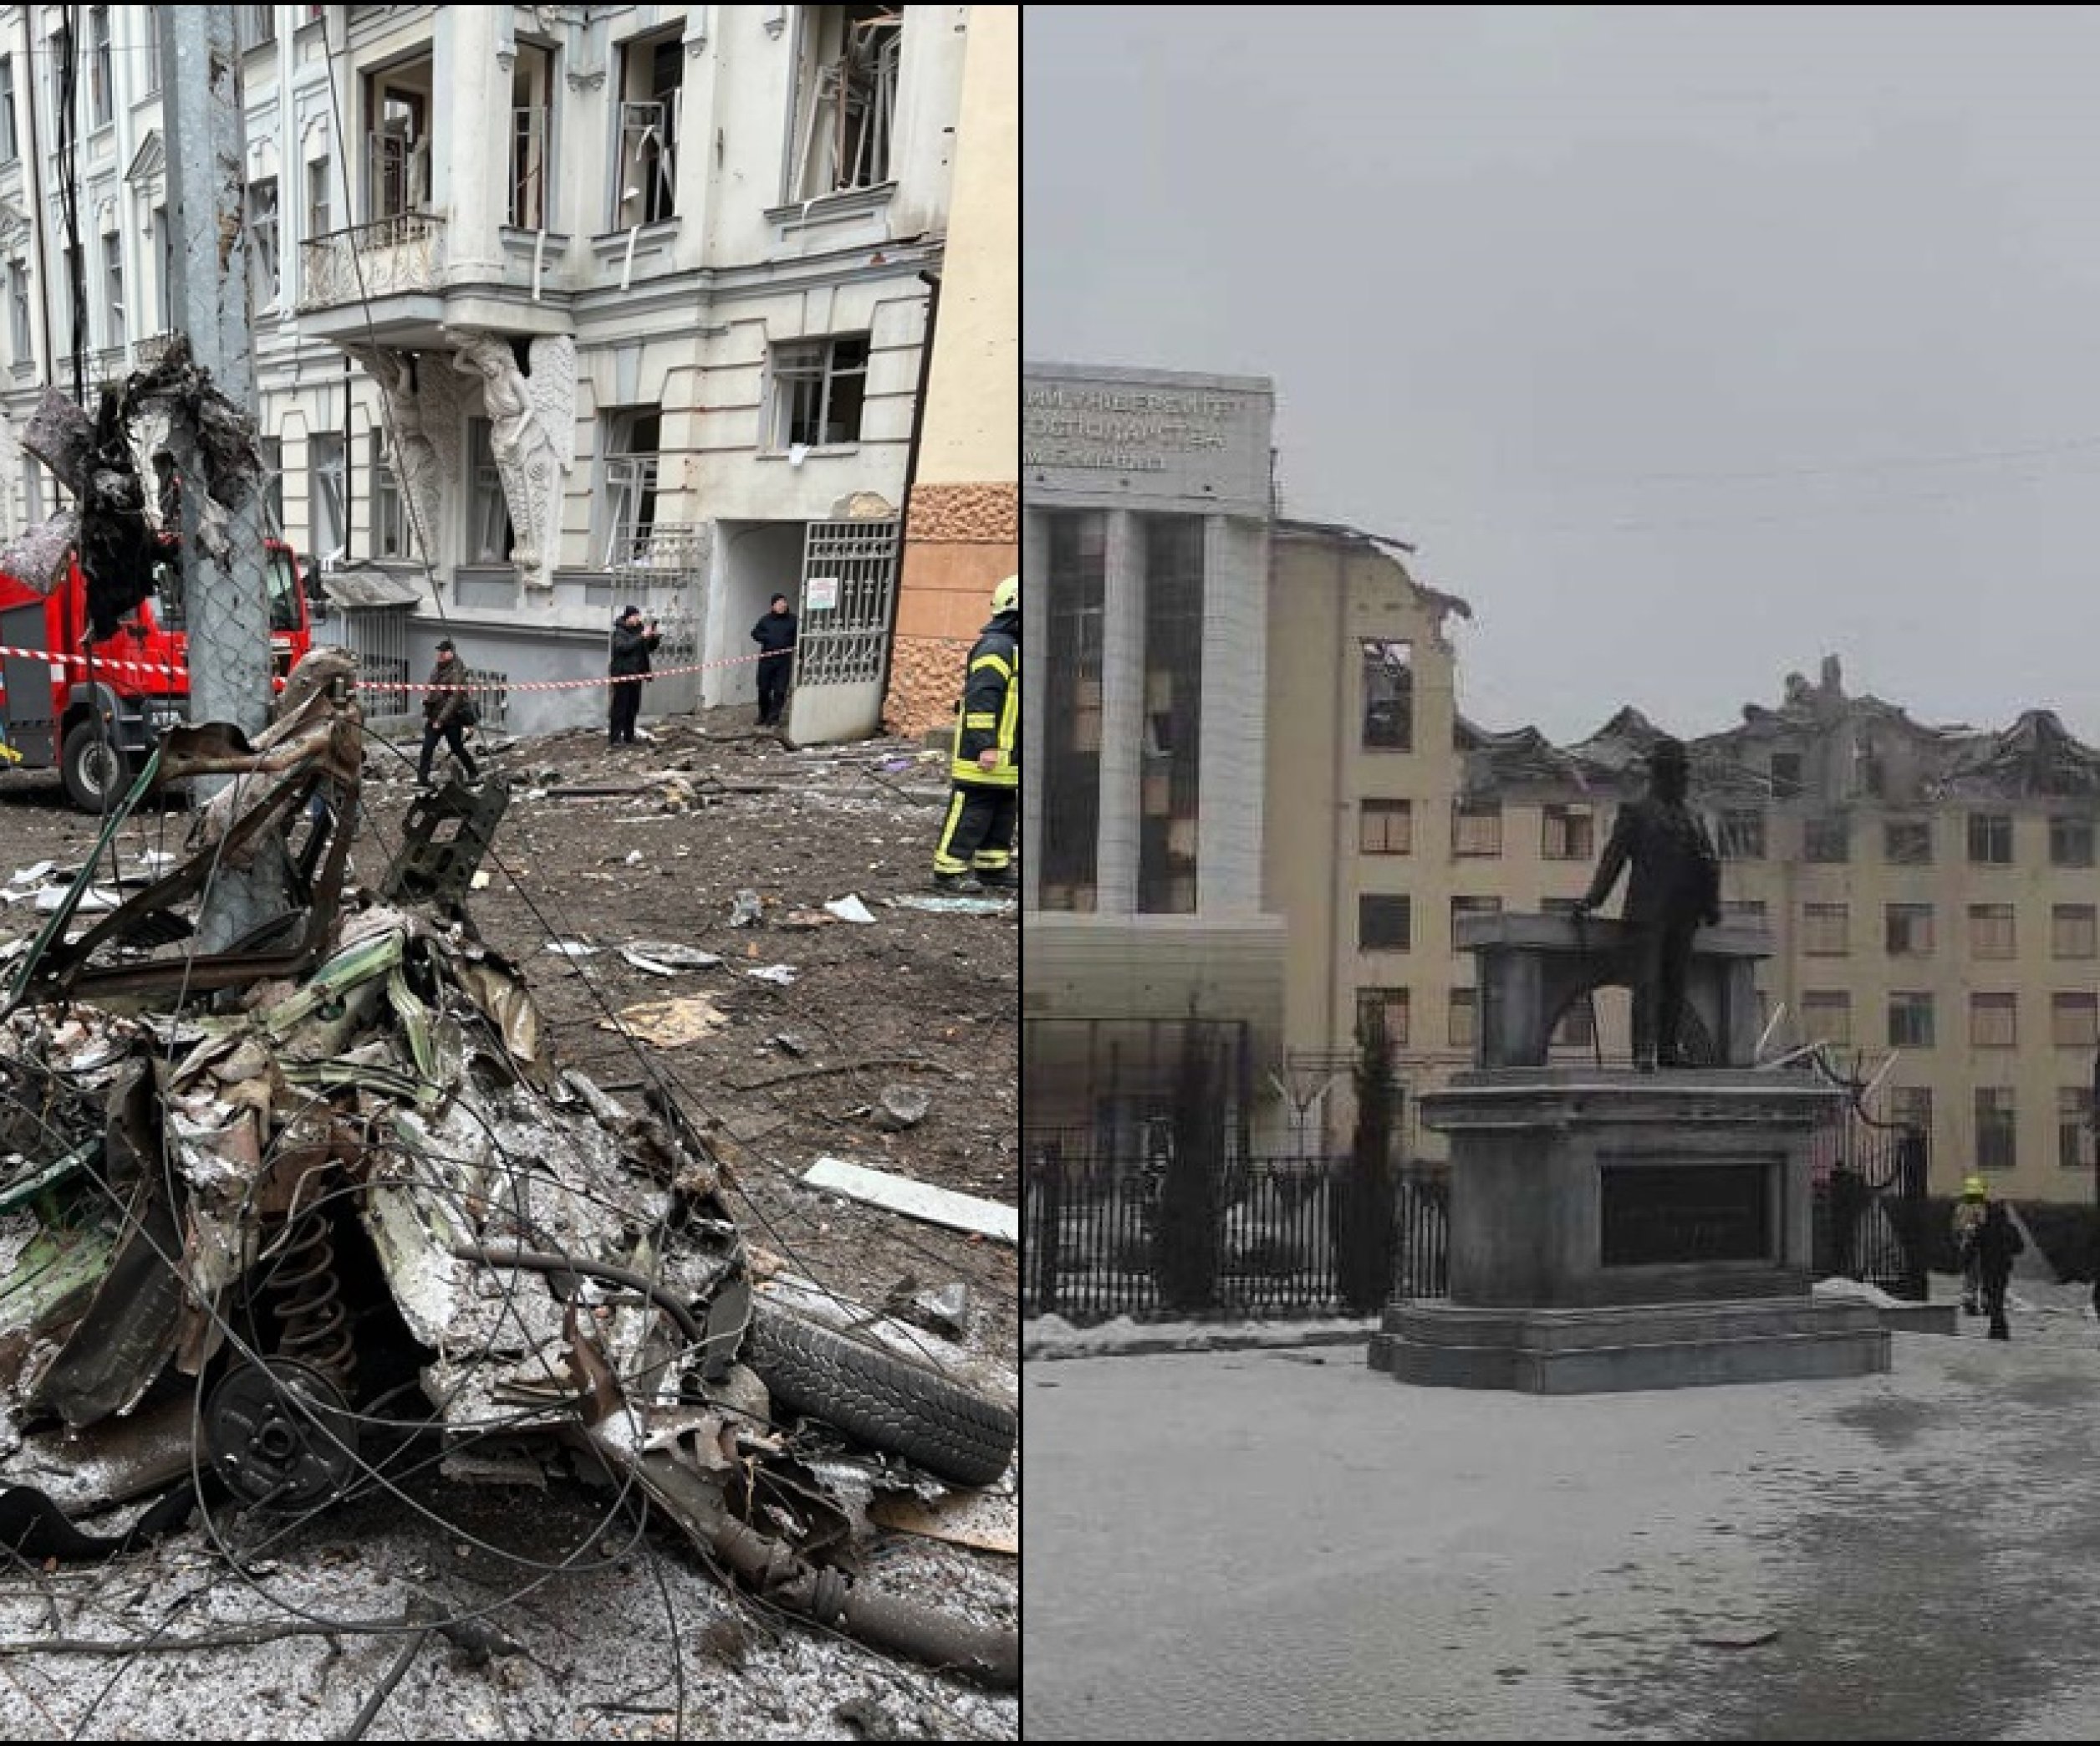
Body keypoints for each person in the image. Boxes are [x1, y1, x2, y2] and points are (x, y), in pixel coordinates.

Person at [1572, 737, 1721, 1070]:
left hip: (1684, 916)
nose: (1682, 780)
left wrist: (1711, 907)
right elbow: (1613, 860)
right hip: (1647, 915)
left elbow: (1709, 864)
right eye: (1676, 773)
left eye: (1684, 774)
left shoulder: (1693, 818)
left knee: (1675, 985)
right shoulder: (1637, 812)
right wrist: (1593, 900)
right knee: (1647, 984)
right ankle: (1643, 1051)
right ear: (1660, 775)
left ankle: (1669, 1049)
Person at [932, 574, 1019, 893]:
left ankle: (992, 866)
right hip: (985, 751)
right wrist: (986, 745)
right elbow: (983, 700)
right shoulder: (997, 648)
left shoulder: (1014, 647)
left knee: (1002, 808)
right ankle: (948, 869)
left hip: (1009, 754)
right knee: (973, 807)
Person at [416, 638, 479, 787]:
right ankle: (423, 778)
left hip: (451, 719)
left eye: (443, 652)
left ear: (451, 653)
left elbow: (455, 699)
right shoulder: (437, 669)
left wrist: (441, 719)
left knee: (456, 747)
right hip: (434, 716)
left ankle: (473, 772)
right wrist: (427, 702)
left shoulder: (457, 671)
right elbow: (433, 690)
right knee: (427, 748)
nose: (440, 655)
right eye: (439, 652)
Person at [609, 605, 660, 748]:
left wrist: (654, 638)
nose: (637, 619)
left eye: (638, 616)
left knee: (632, 708)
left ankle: (629, 737)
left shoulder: (639, 631)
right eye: (635, 616)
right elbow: (623, 648)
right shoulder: (620, 632)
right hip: (622, 675)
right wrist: (640, 637)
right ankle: (615, 738)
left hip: (636, 676)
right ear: (628, 617)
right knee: (620, 708)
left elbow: (648, 649)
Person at [1975, 1197, 2024, 1340]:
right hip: (2003, 1268)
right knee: (1998, 1297)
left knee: (1993, 1299)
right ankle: (1998, 1328)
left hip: (1988, 1267)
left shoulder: (1985, 1228)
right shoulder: (2009, 1228)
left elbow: (1974, 1246)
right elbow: (2020, 1247)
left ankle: (1998, 1328)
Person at [751, 593, 798, 728]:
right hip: (767, 659)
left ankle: (774, 718)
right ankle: (763, 715)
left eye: (784, 602)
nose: (782, 605)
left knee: (780, 690)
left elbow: (800, 636)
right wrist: (766, 638)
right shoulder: (765, 620)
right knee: (763, 689)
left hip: (784, 660)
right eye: (779, 603)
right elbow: (755, 633)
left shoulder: (793, 620)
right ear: (773, 606)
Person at [1952, 1175, 1989, 1316]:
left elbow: (1955, 1228)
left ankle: (1969, 1302)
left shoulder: (1960, 1207)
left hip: (1965, 1247)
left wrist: (1960, 1242)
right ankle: (1986, 1304)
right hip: (1980, 1247)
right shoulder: (1980, 1207)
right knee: (1984, 1275)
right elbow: (1984, 1225)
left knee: (1970, 1276)